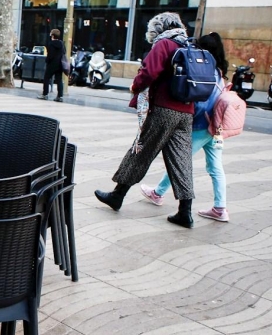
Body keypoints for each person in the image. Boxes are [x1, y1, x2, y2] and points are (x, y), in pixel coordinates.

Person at [94, 12, 196, 228]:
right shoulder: (189, 45)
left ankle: (117, 195)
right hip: (187, 111)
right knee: (182, 159)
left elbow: (149, 72)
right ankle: (185, 211)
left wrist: (136, 85)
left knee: (140, 151)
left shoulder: (165, 44)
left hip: (164, 109)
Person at [140, 32, 229, 222]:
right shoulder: (219, 71)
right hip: (216, 126)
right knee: (215, 167)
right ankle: (220, 208)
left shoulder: (204, 69)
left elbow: (202, 103)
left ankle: (158, 192)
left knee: (180, 163)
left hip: (201, 126)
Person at [38, 28, 64, 102]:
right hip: (60, 64)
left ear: (52, 35)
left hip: (52, 64)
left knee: (46, 78)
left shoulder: (51, 44)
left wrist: (47, 61)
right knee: (59, 80)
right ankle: (60, 96)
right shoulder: (61, 43)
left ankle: (45, 94)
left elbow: (50, 55)